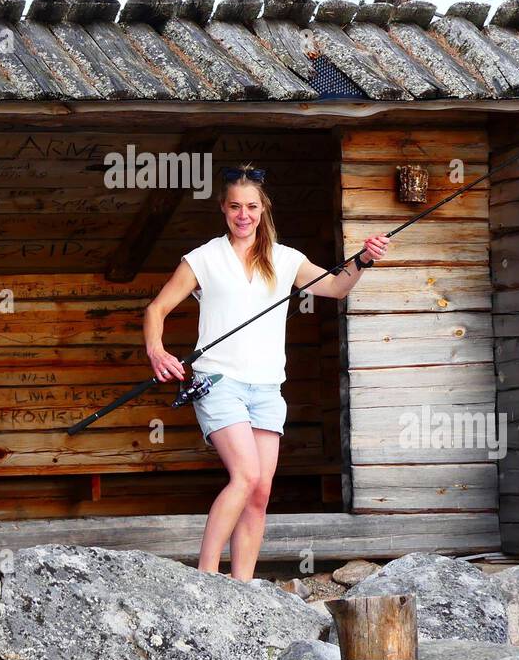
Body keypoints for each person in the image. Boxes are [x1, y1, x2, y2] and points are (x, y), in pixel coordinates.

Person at [143, 162, 390, 581]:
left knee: (259, 492)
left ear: (263, 209)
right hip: (217, 382)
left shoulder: (286, 259)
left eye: (252, 207)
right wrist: (156, 350)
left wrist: (364, 259)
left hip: (267, 388)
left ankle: (241, 586)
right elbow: (156, 309)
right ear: (223, 209)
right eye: (235, 206)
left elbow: (334, 287)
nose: (244, 215)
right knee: (245, 475)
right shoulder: (204, 258)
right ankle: (205, 580)